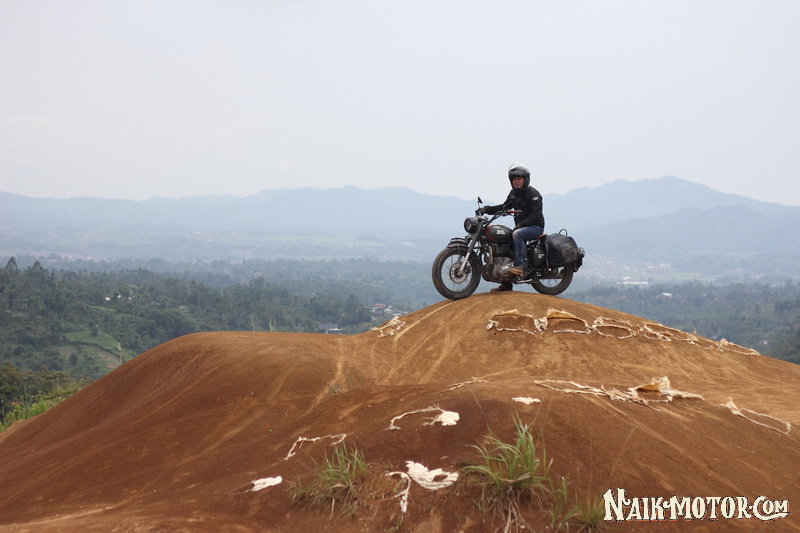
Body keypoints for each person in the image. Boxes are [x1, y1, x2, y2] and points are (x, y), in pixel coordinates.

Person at [481, 164, 545, 292]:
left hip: (535, 227)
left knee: (517, 234)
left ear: (525, 179)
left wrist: (521, 225)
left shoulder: (533, 194)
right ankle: (506, 283)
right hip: (521, 227)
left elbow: (536, 215)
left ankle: (519, 267)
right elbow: (504, 207)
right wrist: (486, 209)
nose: (516, 181)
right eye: (514, 179)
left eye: (519, 178)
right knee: (505, 241)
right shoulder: (514, 194)